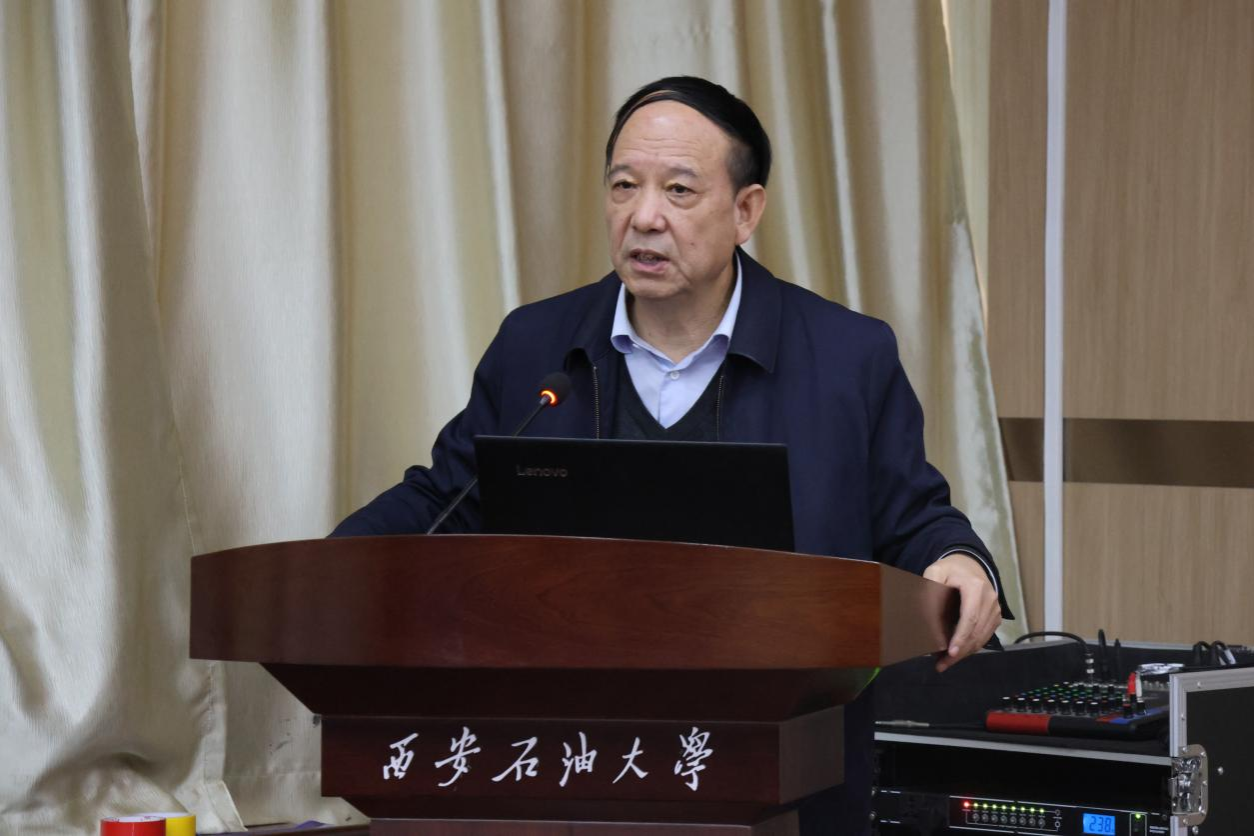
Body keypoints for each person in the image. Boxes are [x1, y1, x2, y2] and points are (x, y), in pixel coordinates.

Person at [333, 75, 1012, 835]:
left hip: (788, 783)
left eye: (679, 190)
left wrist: (960, 561)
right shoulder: (536, 346)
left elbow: (913, 518)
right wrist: (330, 570)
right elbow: (449, 499)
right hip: (566, 772)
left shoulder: (847, 356)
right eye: (624, 186)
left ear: (746, 211)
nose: (644, 216)